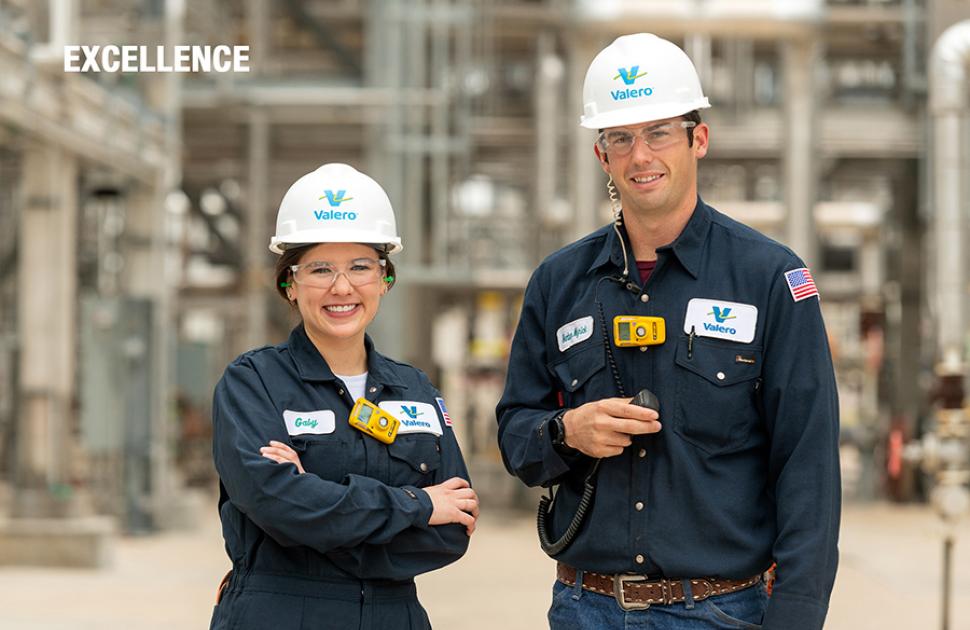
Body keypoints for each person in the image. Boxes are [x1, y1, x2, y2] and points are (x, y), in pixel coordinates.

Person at [496, 33, 839, 630]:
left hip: (721, 611)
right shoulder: (558, 283)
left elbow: (808, 462)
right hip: (585, 608)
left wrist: (798, 613)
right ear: (602, 156)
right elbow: (515, 434)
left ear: (697, 139)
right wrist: (565, 431)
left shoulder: (769, 277)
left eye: (658, 133)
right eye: (620, 138)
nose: (640, 156)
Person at [209, 163, 478, 630]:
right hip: (278, 613)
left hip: (393, 615)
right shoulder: (252, 382)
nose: (342, 287)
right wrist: (417, 505)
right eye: (320, 269)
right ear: (289, 285)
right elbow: (272, 502)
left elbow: (451, 533)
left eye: (360, 267)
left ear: (385, 279)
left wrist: (313, 510)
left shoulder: (414, 388)